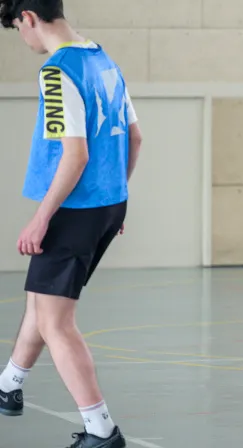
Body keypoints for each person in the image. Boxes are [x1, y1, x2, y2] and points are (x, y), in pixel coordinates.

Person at [0, 1, 142, 446]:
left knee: (55, 321)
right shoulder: (103, 59)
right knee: (40, 301)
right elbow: (135, 137)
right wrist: (114, 197)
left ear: (27, 17)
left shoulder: (56, 71)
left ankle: (101, 429)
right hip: (106, 202)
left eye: (14, 27)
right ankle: (8, 385)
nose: (20, 37)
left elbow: (75, 153)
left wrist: (41, 218)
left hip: (72, 211)